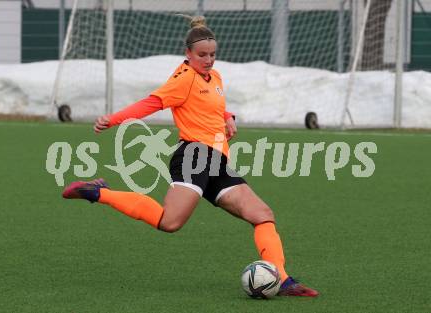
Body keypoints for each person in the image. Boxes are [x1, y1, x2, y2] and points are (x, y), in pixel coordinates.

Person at [62, 15, 318, 297]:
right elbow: (152, 103)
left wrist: (228, 117)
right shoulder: (182, 79)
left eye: (212, 55)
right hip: (194, 156)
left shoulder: (215, 76)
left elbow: (213, 104)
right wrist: (113, 119)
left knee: (262, 215)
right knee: (169, 222)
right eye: (202, 55)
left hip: (218, 162)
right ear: (188, 53)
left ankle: (281, 279)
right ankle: (100, 192)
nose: (208, 60)